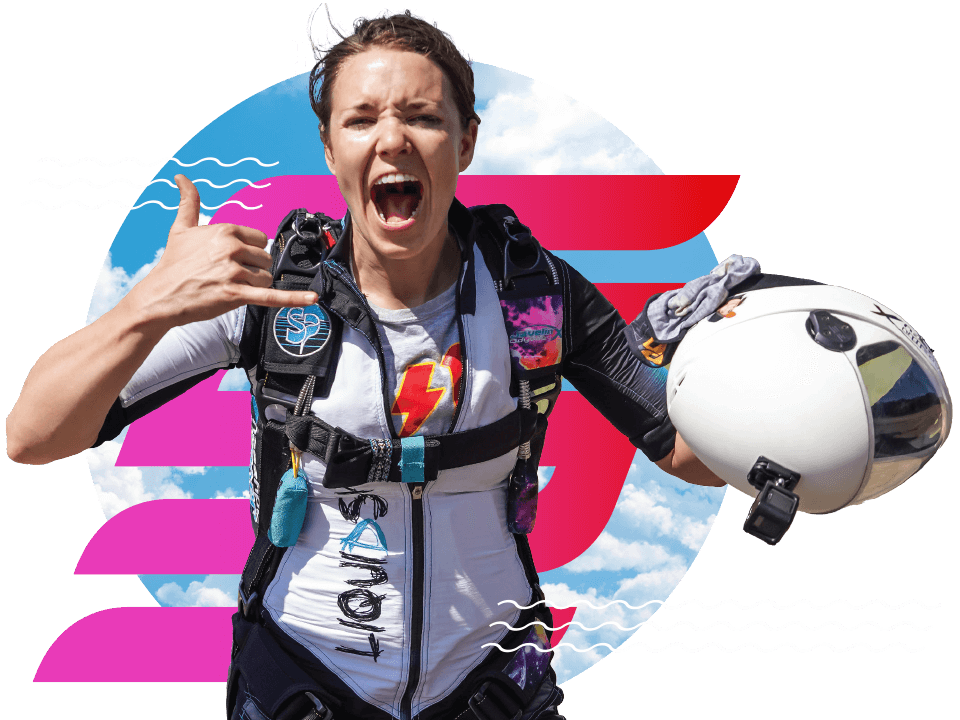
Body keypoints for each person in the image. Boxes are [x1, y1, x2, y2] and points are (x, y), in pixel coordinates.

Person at [7, 9, 725, 719]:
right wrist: (148, 305)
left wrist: (769, 380)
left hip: (499, 675)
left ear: (466, 141)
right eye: (360, 120)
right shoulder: (265, 291)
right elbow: (34, 437)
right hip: (299, 672)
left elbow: (685, 450)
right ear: (328, 147)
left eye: (423, 116)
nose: (392, 140)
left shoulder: (535, 295)